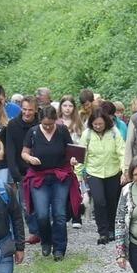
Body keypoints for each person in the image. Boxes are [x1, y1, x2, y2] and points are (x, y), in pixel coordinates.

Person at [21, 107, 81, 261]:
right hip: (39, 176)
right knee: (41, 214)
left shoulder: (62, 131)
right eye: (45, 124)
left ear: (55, 120)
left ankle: (59, 248)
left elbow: (71, 151)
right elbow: (24, 152)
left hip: (60, 176)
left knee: (59, 214)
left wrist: (73, 159)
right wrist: (30, 159)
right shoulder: (33, 132)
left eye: (50, 124)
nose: (48, 127)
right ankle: (46, 241)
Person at [76, 109, 125, 244]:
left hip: (113, 171)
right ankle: (102, 232)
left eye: (100, 124)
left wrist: (124, 170)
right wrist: (78, 174)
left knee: (111, 201)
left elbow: (122, 151)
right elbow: (81, 155)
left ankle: (111, 229)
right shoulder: (87, 134)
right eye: (95, 124)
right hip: (94, 172)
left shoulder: (114, 132)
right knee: (99, 201)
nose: (98, 126)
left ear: (106, 123)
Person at [5, 95, 40, 244]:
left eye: (30, 110)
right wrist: (15, 173)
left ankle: (44, 228)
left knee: (42, 202)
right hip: (22, 169)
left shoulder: (41, 123)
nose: (26, 113)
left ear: (36, 110)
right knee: (26, 204)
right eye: (24, 109)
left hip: (40, 168)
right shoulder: (13, 125)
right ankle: (34, 231)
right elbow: (10, 150)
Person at [57, 94, 86, 229]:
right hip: (60, 159)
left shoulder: (78, 124)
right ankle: (63, 214)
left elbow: (82, 142)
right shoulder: (56, 122)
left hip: (75, 160)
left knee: (75, 189)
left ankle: (76, 215)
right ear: (60, 107)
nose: (67, 109)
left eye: (70, 106)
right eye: (65, 105)